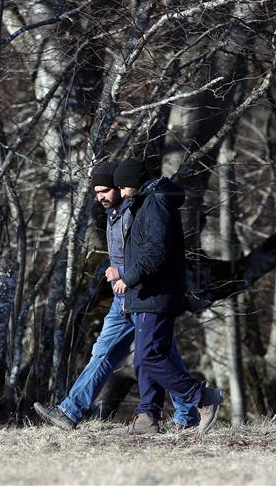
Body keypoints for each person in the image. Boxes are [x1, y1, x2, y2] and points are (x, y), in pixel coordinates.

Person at [33, 162, 199, 431]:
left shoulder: (137, 209)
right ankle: (70, 411)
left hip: (142, 294)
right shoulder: (114, 213)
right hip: (123, 299)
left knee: (158, 357)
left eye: (106, 190)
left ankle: (191, 410)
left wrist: (122, 273)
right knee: (109, 353)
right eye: (97, 192)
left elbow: (150, 252)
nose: (101, 197)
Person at [111, 159, 224, 435]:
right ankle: (147, 418)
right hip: (147, 294)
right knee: (143, 358)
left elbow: (156, 252)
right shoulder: (146, 201)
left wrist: (129, 278)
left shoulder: (155, 203)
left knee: (150, 356)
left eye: (124, 186)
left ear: (135, 182)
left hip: (156, 294)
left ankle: (203, 398)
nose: (122, 193)